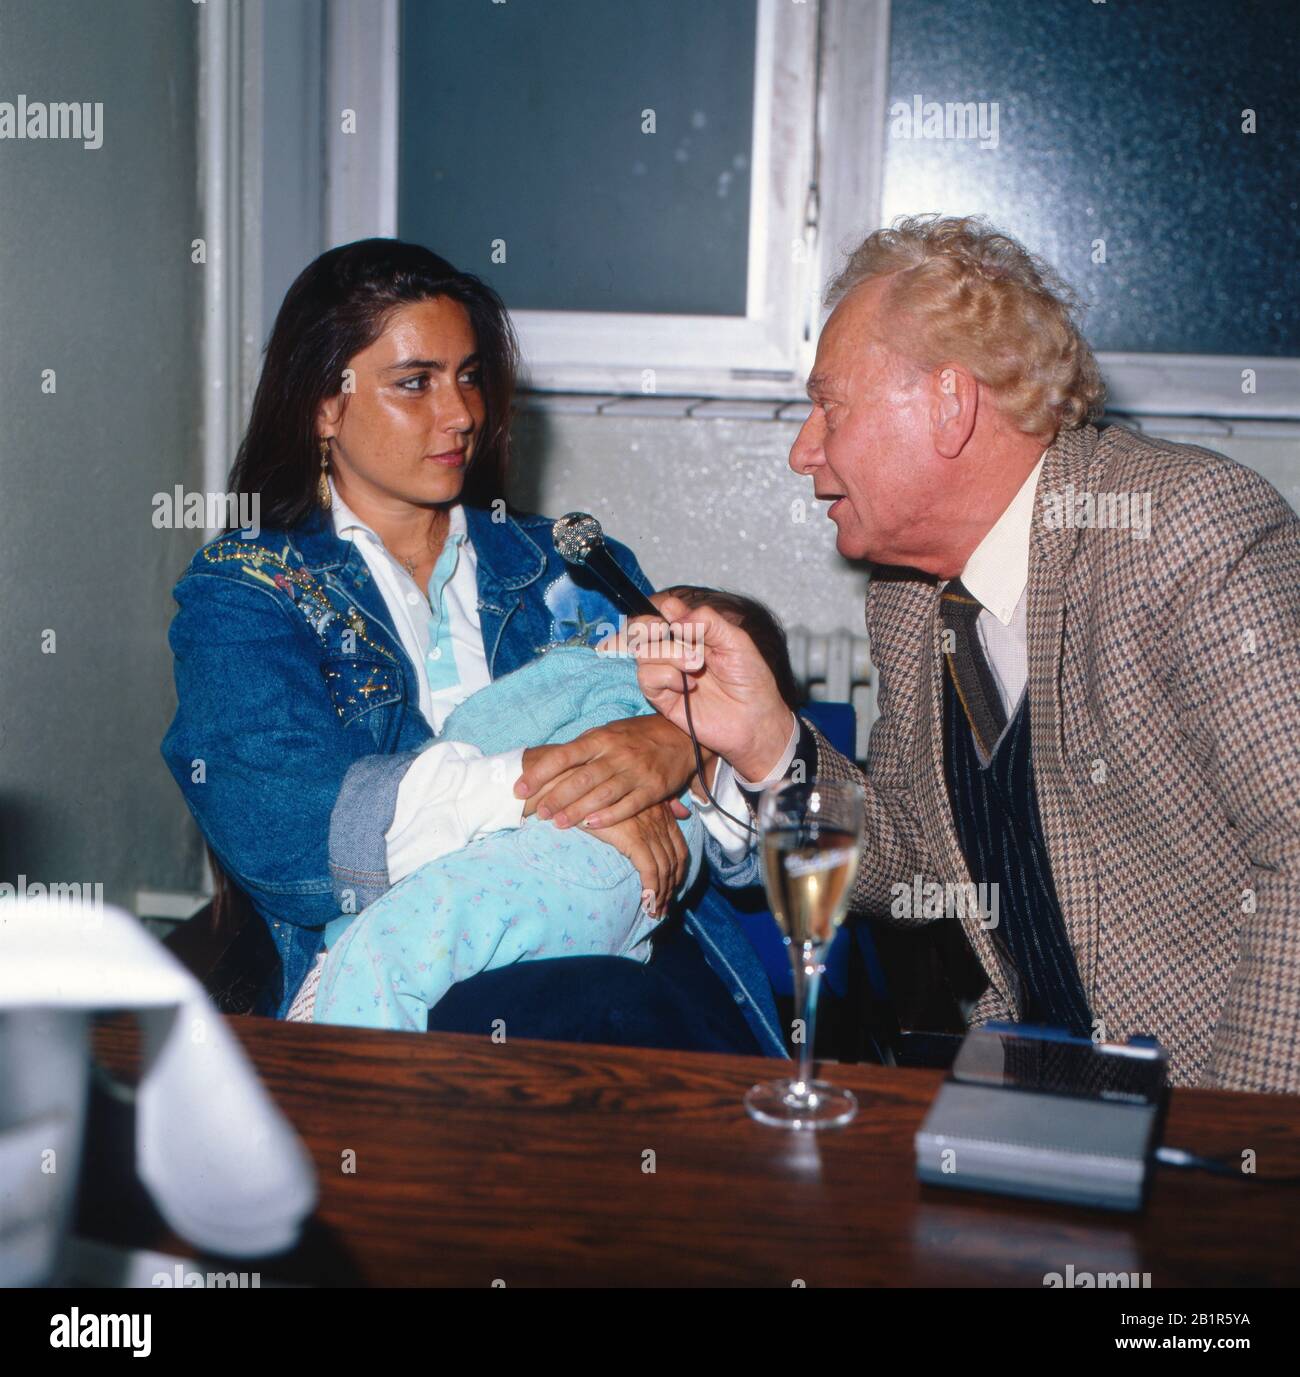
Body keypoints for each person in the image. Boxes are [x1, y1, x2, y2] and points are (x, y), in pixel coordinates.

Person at [616, 214, 1300, 1094]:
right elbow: (915, 866)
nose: (801, 451)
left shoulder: (1182, 529)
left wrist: (1238, 1156)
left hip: (1220, 1107)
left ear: (949, 403)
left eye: (829, 405)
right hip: (1033, 1089)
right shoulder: (910, 599)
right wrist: (766, 742)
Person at [161, 239, 785, 1056]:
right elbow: (290, 830)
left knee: (629, 1012)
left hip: (641, 958)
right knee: (599, 1012)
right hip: (397, 991)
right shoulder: (244, 592)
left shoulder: (578, 565)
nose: (460, 413)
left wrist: (672, 746)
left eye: (467, 376)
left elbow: (752, 868)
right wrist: (576, 791)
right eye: (415, 382)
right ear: (323, 406)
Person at [295, 587, 799, 1033]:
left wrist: (597, 669)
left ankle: (339, 1080)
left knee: (394, 945)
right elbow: (745, 842)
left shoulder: (600, 672)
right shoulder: (710, 763)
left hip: (552, 862)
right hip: (625, 917)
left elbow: (480, 726)